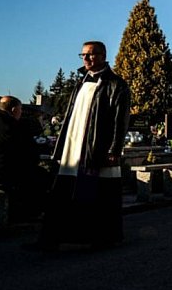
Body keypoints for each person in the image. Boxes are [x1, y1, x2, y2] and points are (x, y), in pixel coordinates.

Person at [36, 41, 130, 250]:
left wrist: (114, 149)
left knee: (99, 195)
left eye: (91, 55)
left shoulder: (116, 84)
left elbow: (120, 120)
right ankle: (52, 239)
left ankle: (102, 237)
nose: (86, 59)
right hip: (73, 146)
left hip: (97, 148)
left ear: (103, 56)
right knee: (63, 193)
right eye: (83, 55)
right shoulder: (81, 82)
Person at [0, 96, 46, 220]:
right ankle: (30, 215)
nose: (21, 113)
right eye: (20, 110)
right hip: (1, 175)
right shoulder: (15, 127)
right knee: (41, 176)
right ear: (14, 109)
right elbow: (32, 156)